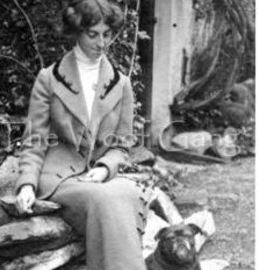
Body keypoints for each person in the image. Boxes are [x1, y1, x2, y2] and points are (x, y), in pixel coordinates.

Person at [15, 0, 152, 269]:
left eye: (107, 34)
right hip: (60, 178)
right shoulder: (49, 78)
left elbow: (121, 146)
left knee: (124, 193)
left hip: (99, 177)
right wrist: (27, 183)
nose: (102, 42)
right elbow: (34, 141)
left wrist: (104, 169)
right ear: (77, 31)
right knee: (105, 199)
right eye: (93, 34)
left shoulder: (121, 84)